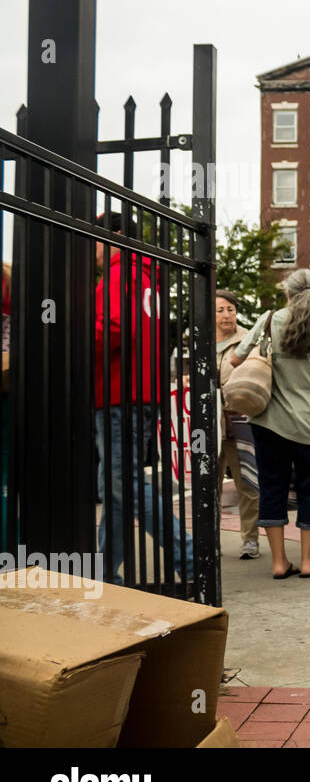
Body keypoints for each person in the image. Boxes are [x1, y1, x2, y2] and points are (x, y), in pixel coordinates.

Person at [230, 269, 310, 579]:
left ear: (287, 293)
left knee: (272, 489)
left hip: (267, 422)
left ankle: (278, 563)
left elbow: (237, 359)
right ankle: (307, 562)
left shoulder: (268, 319)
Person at [94, 211, 190, 584]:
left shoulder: (120, 270)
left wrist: (71, 339)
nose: (94, 249)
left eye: (96, 238)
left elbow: (112, 329)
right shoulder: (147, 275)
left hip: (119, 393)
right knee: (115, 489)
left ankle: (191, 558)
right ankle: (104, 574)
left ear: (114, 235)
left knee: (124, 484)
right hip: (139, 392)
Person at [215, 290, 261, 558]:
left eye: (230, 309)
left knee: (247, 484)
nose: (226, 315)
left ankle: (250, 540)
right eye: (220, 310)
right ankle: (211, 541)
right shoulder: (201, 341)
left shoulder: (248, 341)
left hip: (241, 422)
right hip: (210, 426)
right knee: (210, 486)